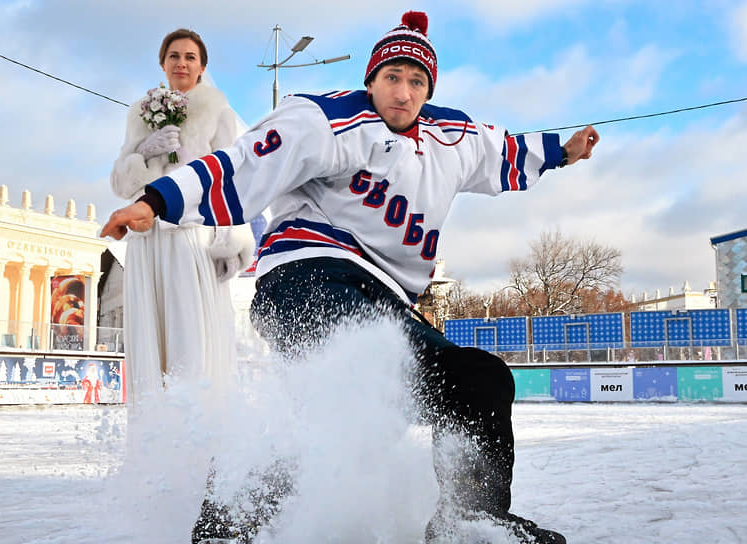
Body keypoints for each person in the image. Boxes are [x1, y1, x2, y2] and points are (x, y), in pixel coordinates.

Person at [101, 11, 599, 544]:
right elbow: (243, 164)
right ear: (371, 80)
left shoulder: (455, 138)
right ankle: (228, 526)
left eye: (416, 82)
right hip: (305, 277)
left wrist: (564, 153)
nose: (403, 94)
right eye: (392, 78)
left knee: (479, 381)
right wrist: (158, 200)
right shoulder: (325, 120)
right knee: (345, 387)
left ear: (427, 90)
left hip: (384, 300)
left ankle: (469, 518)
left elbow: (506, 152)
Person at [109, 28, 255, 406]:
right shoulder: (140, 114)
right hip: (146, 240)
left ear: (202, 67)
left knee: (190, 339)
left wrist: (231, 241)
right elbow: (121, 183)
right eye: (174, 56)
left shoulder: (217, 112)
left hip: (190, 239)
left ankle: (199, 443)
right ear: (163, 63)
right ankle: (153, 443)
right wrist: (143, 151)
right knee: (149, 347)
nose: (181, 63)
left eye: (190, 57)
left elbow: (229, 183)